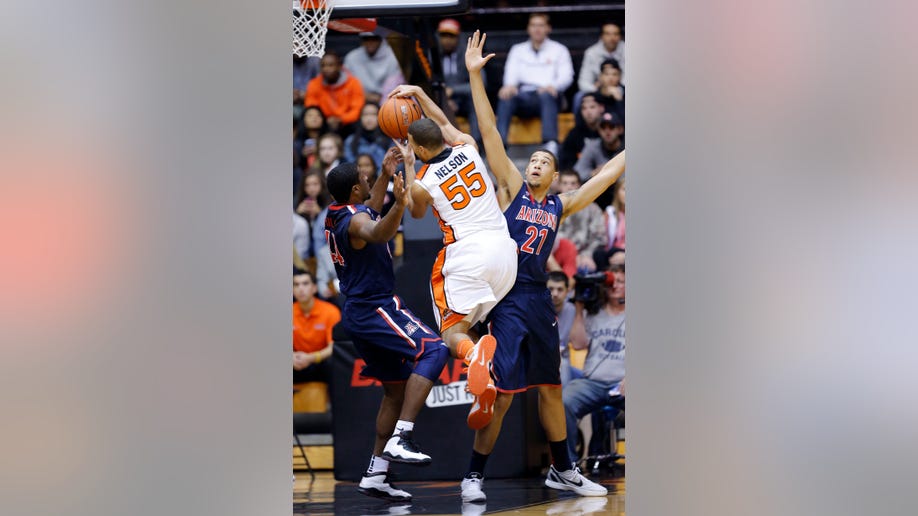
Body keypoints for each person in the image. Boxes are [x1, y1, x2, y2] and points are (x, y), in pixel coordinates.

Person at [457, 30, 626, 503]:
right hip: (508, 298)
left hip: (539, 301)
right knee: (505, 395)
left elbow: (606, 175)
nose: (532, 164)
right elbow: (490, 131)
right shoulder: (510, 188)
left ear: (554, 175)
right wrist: (476, 77)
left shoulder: (560, 205)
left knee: (551, 388)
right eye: (530, 159)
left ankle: (564, 471)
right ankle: (474, 475)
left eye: (541, 161)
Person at [325, 151, 451, 502]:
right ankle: (403, 436)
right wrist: (399, 202)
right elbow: (378, 230)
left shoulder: (338, 211)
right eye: (364, 179)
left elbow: (370, 211)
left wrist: (382, 176)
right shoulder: (353, 223)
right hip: (375, 307)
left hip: (358, 311)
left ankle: (375, 473)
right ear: (353, 190)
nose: (368, 181)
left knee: (395, 392)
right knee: (435, 349)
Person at [387, 84, 518, 402]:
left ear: (416, 147)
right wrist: (418, 92)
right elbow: (443, 121)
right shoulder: (468, 146)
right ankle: (484, 386)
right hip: (505, 253)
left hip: (468, 255)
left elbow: (416, 213)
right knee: (473, 324)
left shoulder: (424, 182)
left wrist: (407, 170)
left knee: (451, 333)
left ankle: (475, 358)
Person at [564, 250, 626, 462]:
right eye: (612, 281)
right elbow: (579, 343)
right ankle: (568, 467)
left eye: (621, 281)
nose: (615, 285)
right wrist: (579, 309)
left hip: (624, 382)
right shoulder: (594, 313)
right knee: (564, 401)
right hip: (593, 383)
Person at [496, 13, 574, 154]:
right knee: (506, 95)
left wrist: (554, 86)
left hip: (550, 95)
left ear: (548, 28)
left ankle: (550, 144)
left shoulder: (559, 49)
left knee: (547, 96)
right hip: (524, 95)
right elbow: (510, 74)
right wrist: (509, 86)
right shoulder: (517, 49)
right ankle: (499, 145)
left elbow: (567, 76)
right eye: (533, 25)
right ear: (528, 29)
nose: (537, 29)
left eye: (541, 25)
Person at [436, 18, 483, 146]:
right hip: (442, 101)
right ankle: (443, 147)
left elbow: (481, 83)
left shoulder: (467, 54)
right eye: (443, 36)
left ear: (458, 37)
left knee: (476, 102)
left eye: (451, 36)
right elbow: (428, 84)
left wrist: (454, 91)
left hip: (463, 100)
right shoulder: (433, 55)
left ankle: (476, 144)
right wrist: (445, 99)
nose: (447, 40)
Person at [292, 269, 341, 385]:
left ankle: (335, 402)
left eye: (305, 283)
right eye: (296, 285)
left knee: (334, 362)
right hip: (296, 361)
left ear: (314, 288)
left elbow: (334, 347)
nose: (301, 289)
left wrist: (311, 358)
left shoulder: (330, 311)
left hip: (321, 360)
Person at [556, 170, 608, 273]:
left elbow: (599, 237)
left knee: (596, 260)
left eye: (573, 183)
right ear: (559, 186)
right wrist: (570, 256)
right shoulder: (551, 206)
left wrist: (586, 254)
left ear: (579, 185)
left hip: (585, 255)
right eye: (565, 183)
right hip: (559, 255)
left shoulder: (593, 209)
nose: (569, 187)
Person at [305, 51, 365, 135]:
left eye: (330, 65)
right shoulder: (314, 84)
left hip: (347, 124)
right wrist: (326, 119)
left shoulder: (353, 83)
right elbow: (311, 108)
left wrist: (341, 119)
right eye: (323, 66)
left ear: (340, 67)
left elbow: (356, 110)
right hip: (324, 123)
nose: (326, 69)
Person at [573, 22, 625, 112]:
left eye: (615, 34)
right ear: (601, 36)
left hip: (622, 89)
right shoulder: (591, 53)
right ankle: (580, 126)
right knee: (579, 96)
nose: (612, 38)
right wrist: (600, 91)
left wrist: (618, 89)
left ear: (620, 37)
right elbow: (583, 82)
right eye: (608, 34)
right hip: (598, 91)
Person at [343, 30, 404, 105]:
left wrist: (383, 97)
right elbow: (346, 84)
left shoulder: (393, 56)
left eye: (374, 38)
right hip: (360, 99)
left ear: (381, 39)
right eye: (366, 39)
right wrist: (364, 95)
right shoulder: (352, 57)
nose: (370, 42)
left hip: (388, 99)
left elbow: (396, 83)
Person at [574, 111, 625, 185]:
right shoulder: (592, 146)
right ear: (599, 130)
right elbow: (577, 172)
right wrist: (593, 173)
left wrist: (608, 173)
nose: (607, 132)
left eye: (611, 127)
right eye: (603, 127)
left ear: (620, 129)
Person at [558, 93, 605, 171]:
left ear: (601, 108)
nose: (588, 112)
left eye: (592, 107)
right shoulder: (574, 134)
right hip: (581, 178)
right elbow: (566, 162)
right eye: (584, 108)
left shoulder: (611, 129)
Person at [343, 103, 389, 167]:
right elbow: (349, 166)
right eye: (365, 114)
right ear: (360, 117)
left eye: (373, 114)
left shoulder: (389, 140)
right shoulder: (350, 141)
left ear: (380, 116)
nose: (369, 118)